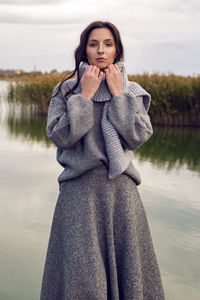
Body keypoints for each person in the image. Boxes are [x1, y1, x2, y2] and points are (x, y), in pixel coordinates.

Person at [40, 21, 165, 300]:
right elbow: (61, 136)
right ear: (84, 49)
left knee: (130, 281)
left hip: (122, 198)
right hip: (79, 198)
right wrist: (84, 95)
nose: (101, 50)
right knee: (82, 283)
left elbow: (137, 136)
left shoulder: (132, 91)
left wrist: (118, 94)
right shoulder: (66, 91)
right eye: (94, 43)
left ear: (117, 50)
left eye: (108, 44)